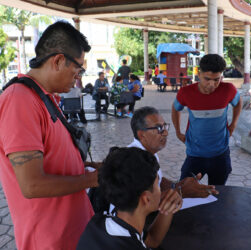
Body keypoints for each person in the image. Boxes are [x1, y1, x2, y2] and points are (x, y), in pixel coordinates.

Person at [0, 21, 98, 250]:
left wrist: (96, 168)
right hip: (49, 240)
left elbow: (56, 160)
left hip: (71, 232)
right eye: (78, 70)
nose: (78, 77)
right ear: (58, 60)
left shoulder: (45, 97)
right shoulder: (19, 100)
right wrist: (92, 180)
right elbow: (32, 185)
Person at [77, 147, 182, 250]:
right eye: (157, 185)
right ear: (146, 199)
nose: (161, 190)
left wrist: (168, 207)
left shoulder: (98, 222)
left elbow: (153, 241)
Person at [172, 54, 242, 185]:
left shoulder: (228, 89)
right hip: (194, 154)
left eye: (217, 80)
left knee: (218, 194)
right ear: (199, 74)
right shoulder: (185, 92)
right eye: (207, 79)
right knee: (185, 191)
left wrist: (233, 125)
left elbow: (238, 103)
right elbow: (176, 108)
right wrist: (177, 131)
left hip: (220, 154)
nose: (212, 84)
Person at [129, 106, 218, 197]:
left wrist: (176, 185)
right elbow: (144, 204)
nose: (166, 133)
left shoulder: (149, 152)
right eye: (159, 128)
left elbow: (157, 181)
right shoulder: (135, 161)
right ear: (141, 134)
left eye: (165, 127)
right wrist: (181, 192)